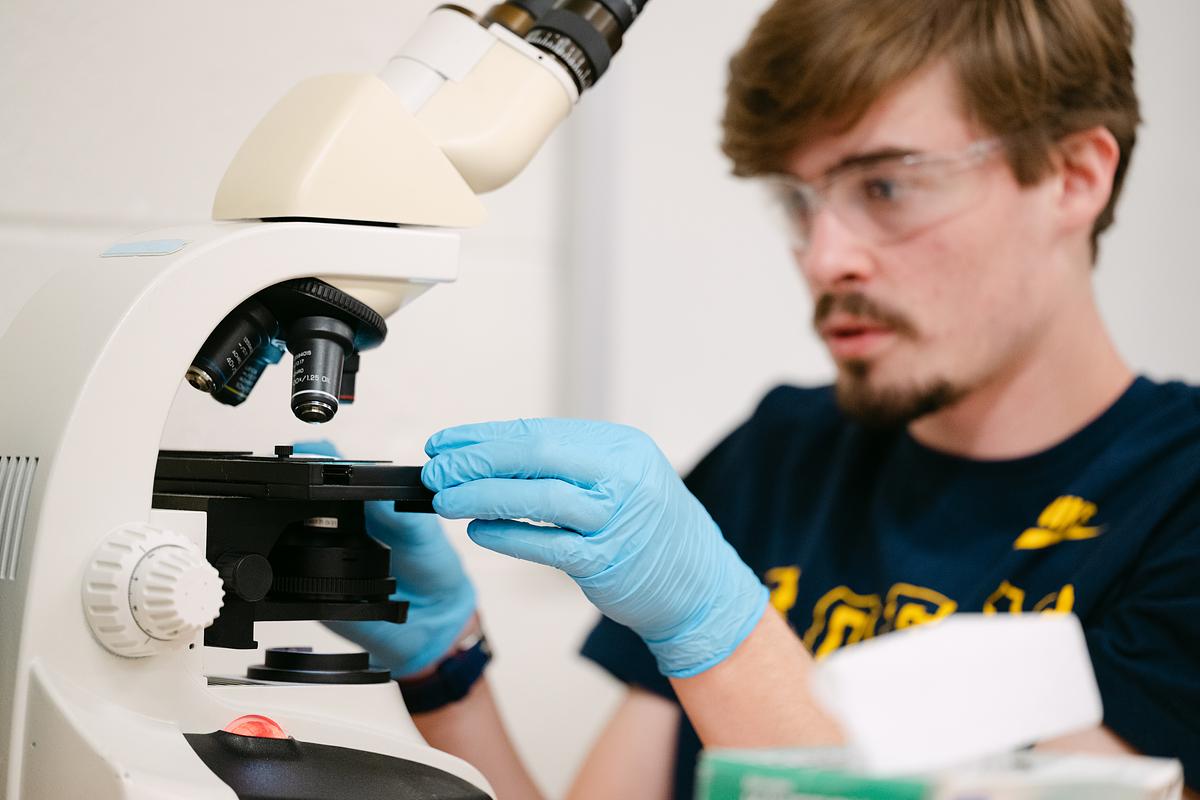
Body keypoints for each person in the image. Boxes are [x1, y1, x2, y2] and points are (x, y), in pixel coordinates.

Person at [312, 0, 1200, 796]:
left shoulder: (1180, 500)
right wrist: (448, 670)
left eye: (886, 186)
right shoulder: (783, 453)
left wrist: (724, 629)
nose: (824, 257)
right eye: (799, 201)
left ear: (1074, 176)